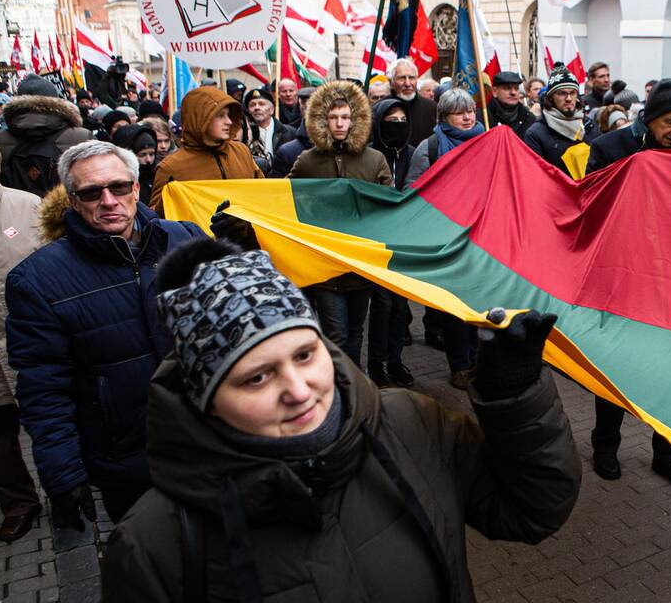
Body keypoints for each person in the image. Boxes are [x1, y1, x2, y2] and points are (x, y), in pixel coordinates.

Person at [101, 237, 581, 601]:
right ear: (204, 396)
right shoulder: (155, 544)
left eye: (305, 354)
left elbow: (531, 512)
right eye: (256, 378)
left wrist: (513, 397)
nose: (298, 388)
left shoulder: (411, 423)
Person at [6, 141, 206, 527]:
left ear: (136, 188)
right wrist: (62, 475)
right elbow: (42, 388)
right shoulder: (37, 281)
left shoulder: (184, 239)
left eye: (118, 187)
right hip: (130, 462)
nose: (108, 200)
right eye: (91, 192)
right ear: (72, 201)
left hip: (209, 440)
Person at [584, 78, 671, 489]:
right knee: (615, 365)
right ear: (650, 117)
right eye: (670, 122)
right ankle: (605, 446)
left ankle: (667, 454)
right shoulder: (609, 148)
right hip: (622, 276)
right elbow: (592, 208)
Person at [289, 81, 392, 374]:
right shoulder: (308, 161)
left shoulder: (374, 160)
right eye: (333, 117)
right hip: (325, 266)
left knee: (356, 330)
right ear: (321, 120)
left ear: (355, 119)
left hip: (360, 264)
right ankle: (338, 387)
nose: (339, 123)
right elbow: (285, 199)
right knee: (336, 334)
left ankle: (353, 384)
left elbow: (389, 205)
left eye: (345, 117)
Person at [405, 89, 486, 388]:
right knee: (455, 308)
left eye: (471, 111)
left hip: (482, 236)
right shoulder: (431, 147)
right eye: (459, 112)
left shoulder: (486, 141)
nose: (467, 117)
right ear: (444, 116)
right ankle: (460, 364)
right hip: (448, 237)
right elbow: (413, 192)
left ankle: (479, 359)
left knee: (480, 302)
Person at [0, 150, 43, 542]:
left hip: (32, 338)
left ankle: (65, 492)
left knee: (48, 421)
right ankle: (18, 503)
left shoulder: (27, 206)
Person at [150, 86, 264, 216]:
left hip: (246, 235)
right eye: (220, 116)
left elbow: (262, 194)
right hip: (198, 235)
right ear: (200, 119)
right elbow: (155, 219)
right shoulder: (171, 167)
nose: (229, 122)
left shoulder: (241, 152)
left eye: (228, 115)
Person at [367, 97, 417, 388]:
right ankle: (376, 363)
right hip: (377, 240)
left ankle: (395, 361)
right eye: (391, 121)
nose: (397, 126)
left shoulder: (412, 153)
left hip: (406, 241)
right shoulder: (371, 155)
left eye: (402, 121)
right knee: (382, 305)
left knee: (400, 307)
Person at [0, 74, 92, 197]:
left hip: (16, 213)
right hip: (70, 213)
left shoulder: (0, 139)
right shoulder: (80, 136)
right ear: (58, 103)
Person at [523, 65, 597, 178]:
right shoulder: (536, 133)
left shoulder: (589, 126)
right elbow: (536, 177)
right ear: (551, 97)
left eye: (572, 93)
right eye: (562, 93)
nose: (568, 98)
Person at [244, 87, 296, 170]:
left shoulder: (289, 132)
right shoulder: (243, 134)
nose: (257, 108)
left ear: (271, 109)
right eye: (252, 105)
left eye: (261, 104)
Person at [389, 58, 438, 145]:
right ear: (392, 82)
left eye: (411, 78)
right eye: (402, 78)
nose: (407, 83)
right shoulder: (380, 109)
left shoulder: (432, 108)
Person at [111, 124, 158, 205]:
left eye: (151, 154)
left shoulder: (157, 175)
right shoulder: (116, 181)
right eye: (142, 155)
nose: (148, 160)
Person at [483, 71, 536, 137]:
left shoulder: (528, 117)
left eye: (516, 88)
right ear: (495, 91)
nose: (513, 92)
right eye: (507, 88)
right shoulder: (483, 116)